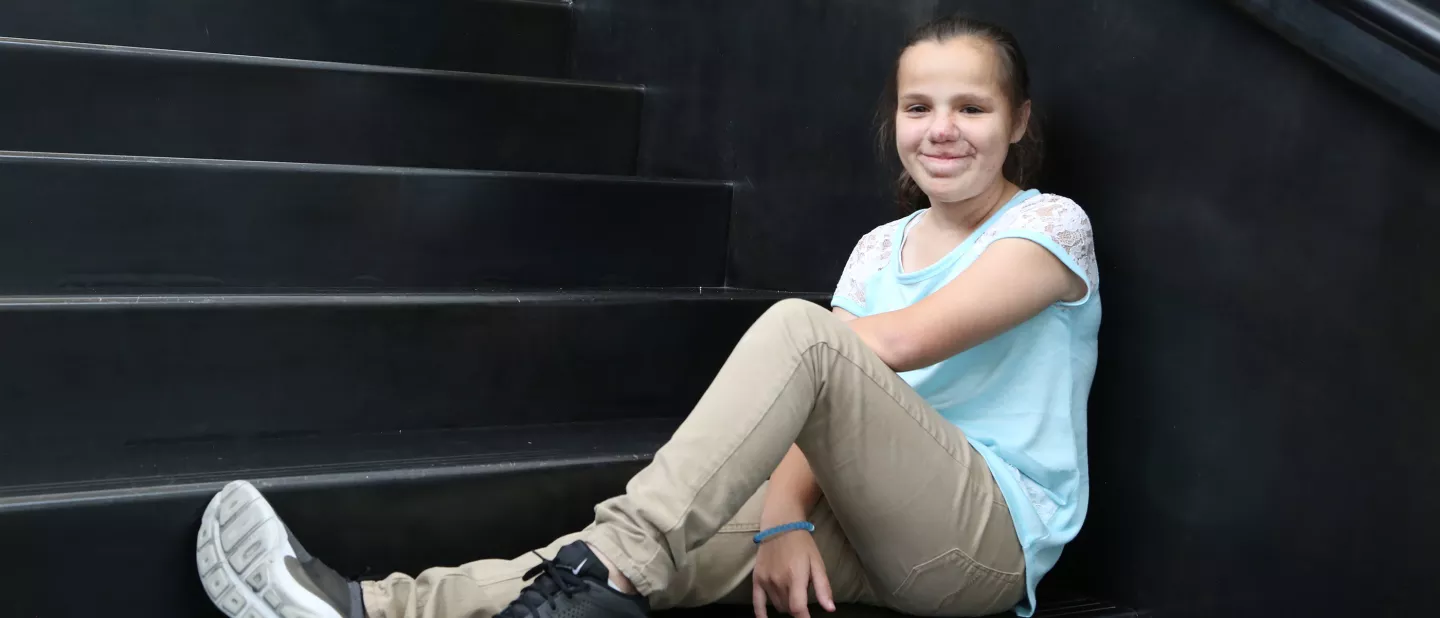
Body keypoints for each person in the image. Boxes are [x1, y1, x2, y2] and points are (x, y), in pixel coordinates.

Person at [194, 14, 1098, 618]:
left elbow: (887, 346)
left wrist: (795, 389)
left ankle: (614, 561)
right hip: (870, 525)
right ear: (894, 119)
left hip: (983, 544)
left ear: (1018, 122)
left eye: (971, 107)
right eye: (918, 106)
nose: (942, 128)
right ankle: (372, 607)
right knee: (665, 543)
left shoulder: (1050, 228)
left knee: (797, 335)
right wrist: (783, 521)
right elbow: (826, 413)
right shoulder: (877, 248)